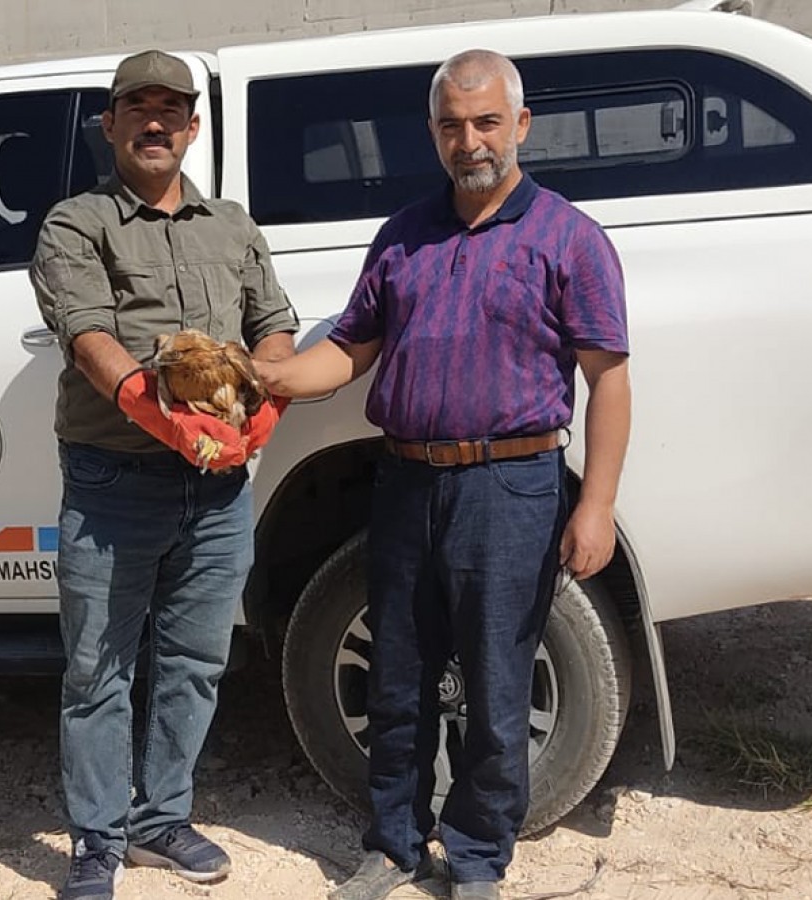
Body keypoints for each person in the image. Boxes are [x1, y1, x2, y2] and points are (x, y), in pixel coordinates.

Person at [254, 49, 631, 900]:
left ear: (520, 125)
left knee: (497, 682)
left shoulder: (568, 238)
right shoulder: (403, 235)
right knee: (398, 676)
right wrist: (274, 376)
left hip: (510, 489)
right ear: (433, 133)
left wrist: (597, 503)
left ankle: (476, 855)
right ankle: (390, 844)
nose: (471, 141)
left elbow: (608, 377)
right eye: (453, 126)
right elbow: (349, 349)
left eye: (487, 122)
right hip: (404, 485)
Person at [27, 49, 298, 900]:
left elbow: (274, 329)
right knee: (97, 671)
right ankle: (97, 840)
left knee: (193, 661)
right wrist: (166, 418)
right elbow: (88, 336)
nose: (154, 122)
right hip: (116, 483)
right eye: (135, 108)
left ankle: (159, 821)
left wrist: (262, 410)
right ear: (109, 125)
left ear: (192, 126)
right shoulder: (76, 224)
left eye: (170, 109)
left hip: (218, 490)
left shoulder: (232, 227)